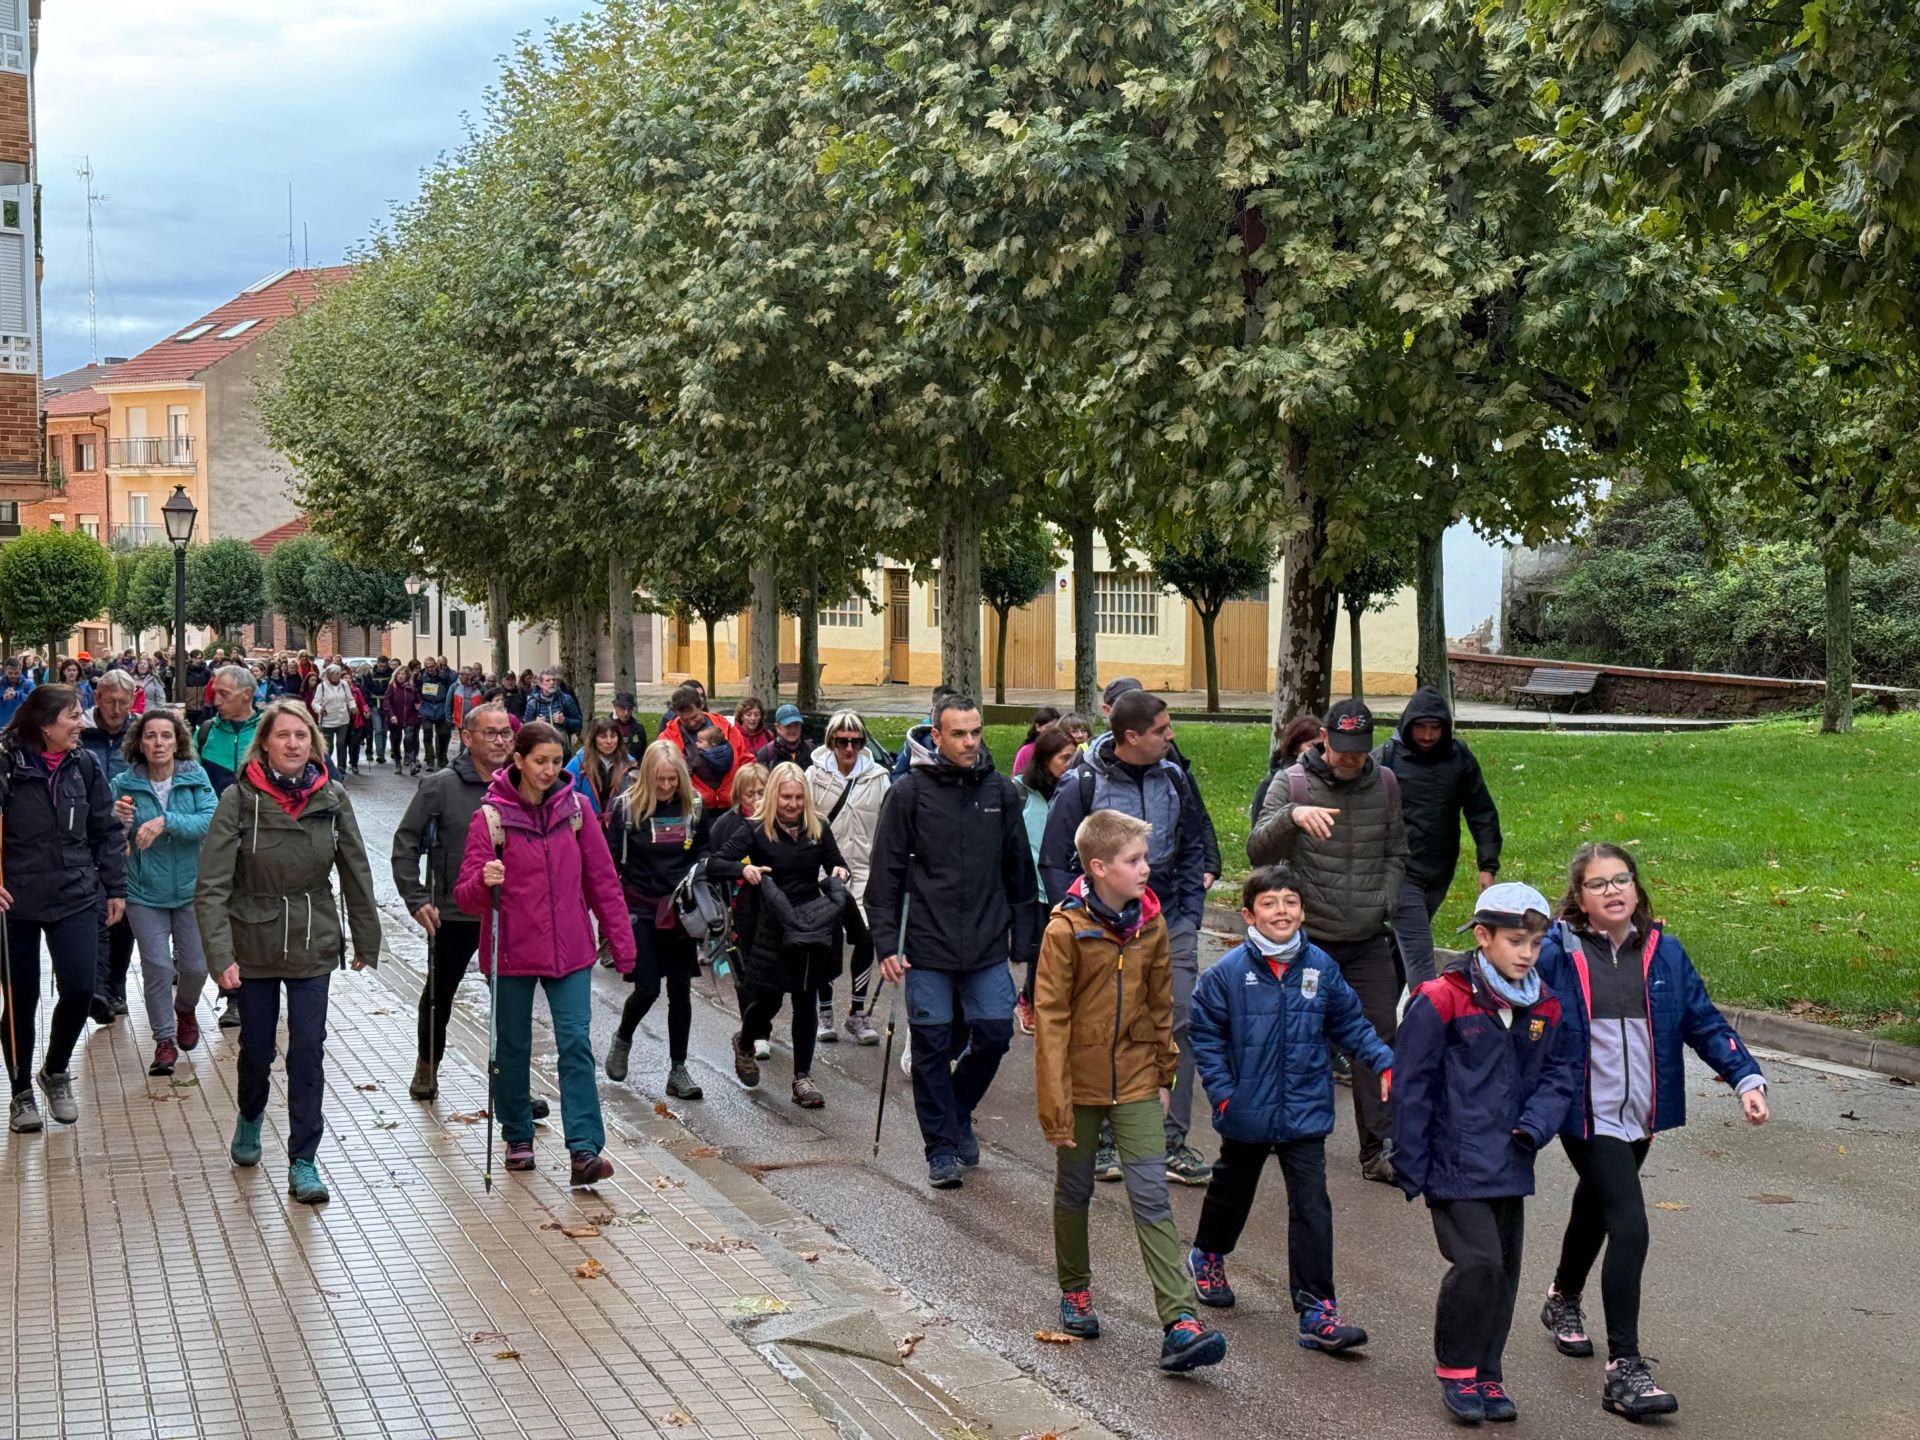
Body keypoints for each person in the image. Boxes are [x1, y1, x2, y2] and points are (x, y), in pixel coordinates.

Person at [1534, 843, 1768, 1421]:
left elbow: (1703, 1023)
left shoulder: (1665, 953)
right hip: (1585, 1114)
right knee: (1630, 1227)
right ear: (1579, 899)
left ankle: (1562, 1298)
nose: (1612, 891)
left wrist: (1745, 1077)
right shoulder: (1557, 955)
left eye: (1621, 880)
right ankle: (1625, 1371)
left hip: (1640, 1115)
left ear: (1637, 888)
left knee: (1596, 1206)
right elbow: (1517, 1013)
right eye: (1597, 884)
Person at [1033, 808, 1227, 1374]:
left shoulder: (1152, 923)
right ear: (1099, 868)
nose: (1146, 868)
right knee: (1074, 1192)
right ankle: (1075, 1290)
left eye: (1145, 858)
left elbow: (1161, 1002)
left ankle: (1180, 1323)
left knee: (1152, 1197)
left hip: (1138, 1077)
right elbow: (1050, 1020)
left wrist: (1164, 1074)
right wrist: (1055, 1101)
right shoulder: (1065, 929)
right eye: (1134, 860)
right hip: (1079, 1083)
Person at [1391, 882, 1581, 1426]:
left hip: (1511, 1159)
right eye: (1516, 941)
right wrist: (1411, 1163)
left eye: (1536, 943)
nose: (1527, 953)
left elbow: (1561, 1073)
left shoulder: (1545, 1003)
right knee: (1477, 1264)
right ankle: (1456, 1367)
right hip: (1451, 1162)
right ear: (1482, 936)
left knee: (1504, 1272)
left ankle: (1488, 1371)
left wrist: (1534, 1129)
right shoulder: (1441, 998)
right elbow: (1411, 1085)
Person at [1186, 865, 1393, 1352]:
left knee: (1311, 1206)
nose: (1282, 911)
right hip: (1247, 1109)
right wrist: (1223, 1094)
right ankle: (1208, 1254)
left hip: (1304, 1108)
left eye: (1290, 902)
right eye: (1270, 903)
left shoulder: (1320, 967)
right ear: (1248, 915)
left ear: (1303, 911)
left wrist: (1383, 1060)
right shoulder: (1226, 975)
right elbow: (1207, 1038)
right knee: (1232, 1191)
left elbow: (1351, 1024)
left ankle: (1317, 1310)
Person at [195, 700, 381, 1204]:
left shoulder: (332, 797)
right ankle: (251, 1114)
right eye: (283, 736)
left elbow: (356, 871)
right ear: (266, 743)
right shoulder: (239, 799)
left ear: (314, 743)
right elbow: (211, 885)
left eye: (302, 735)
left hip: (310, 935)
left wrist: (367, 939)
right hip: (251, 938)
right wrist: (219, 955)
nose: (293, 744)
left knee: (307, 1049)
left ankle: (304, 1160)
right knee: (256, 1049)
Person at [1039, 689, 1215, 1186]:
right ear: (1132, 736)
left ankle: (1171, 1140)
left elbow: (1195, 843)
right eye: (1162, 729)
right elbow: (1054, 859)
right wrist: (1075, 919)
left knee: (1176, 1018)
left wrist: (1190, 914)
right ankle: (1107, 1137)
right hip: (1097, 927)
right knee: (1111, 1020)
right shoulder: (1083, 783)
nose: (1171, 735)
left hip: (1168, 920)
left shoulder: (1175, 776)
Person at [867, 694, 1039, 1189]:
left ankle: (957, 1112)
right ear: (935, 736)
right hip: (925, 946)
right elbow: (886, 877)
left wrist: (1022, 942)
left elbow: (1019, 873)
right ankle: (940, 1148)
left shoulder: (1001, 793)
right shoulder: (909, 794)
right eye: (958, 733)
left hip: (985, 943)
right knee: (932, 1045)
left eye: (975, 732)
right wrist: (885, 944)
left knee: (993, 1034)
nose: (969, 742)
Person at [453, 721, 635, 1186]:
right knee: (512, 1048)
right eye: (540, 762)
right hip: (512, 950)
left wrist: (623, 944)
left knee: (576, 1044)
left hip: (570, 950)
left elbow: (603, 882)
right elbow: (466, 896)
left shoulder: (576, 810)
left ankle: (584, 1150)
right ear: (518, 760)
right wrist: (484, 880)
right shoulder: (490, 819)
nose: (550, 770)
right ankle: (517, 1134)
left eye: (557, 761)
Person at [1247, 698, 1409, 1184]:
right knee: (1295, 1039)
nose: (1350, 758)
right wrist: (1292, 816)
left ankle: (1378, 1150)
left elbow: (1398, 849)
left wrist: (1386, 898)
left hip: (1367, 937)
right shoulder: (1292, 783)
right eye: (1341, 749)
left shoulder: (1385, 783)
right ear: (1324, 741)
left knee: (1379, 1043)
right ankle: (1284, 1128)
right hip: (1310, 940)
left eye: (1359, 750)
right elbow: (1257, 848)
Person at [391, 704, 539, 1106]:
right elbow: (405, 843)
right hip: (454, 912)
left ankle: (513, 1085)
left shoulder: (524, 784)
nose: (500, 741)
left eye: (505, 734)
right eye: (490, 733)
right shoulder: (439, 786)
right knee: (440, 992)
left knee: (510, 1001)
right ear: (467, 737)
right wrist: (416, 897)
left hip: (509, 913)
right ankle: (427, 1063)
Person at [0, 685, 126, 1132]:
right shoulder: (6, 763)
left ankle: (54, 1070)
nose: (82, 723)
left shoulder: (84, 764)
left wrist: (115, 887)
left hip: (75, 891)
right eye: (73, 716)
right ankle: (19, 1092)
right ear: (44, 723)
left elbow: (106, 829)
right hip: (14, 900)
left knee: (78, 990)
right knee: (21, 998)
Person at [711, 761, 849, 1108]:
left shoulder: (818, 828)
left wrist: (838, 871)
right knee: (770, 1000)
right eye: (786, 797)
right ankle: (744, 1042)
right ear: (774, 796)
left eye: (799, 797)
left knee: (806, 998)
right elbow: (715, 864)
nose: (793, 804)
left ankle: (802, 1078)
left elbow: (837, 861)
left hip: (810, 923)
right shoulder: (755, 829)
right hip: (768, 922)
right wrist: (746, 868)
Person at [110, 709, 216, 1077]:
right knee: (156, 966)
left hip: (191, 888)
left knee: (196, 966)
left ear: (177, 742)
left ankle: (185, 1008)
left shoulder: (195, 777)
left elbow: (210, 819)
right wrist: (119, 824)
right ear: (140, 742)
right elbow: (109, 832)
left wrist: (166, 821)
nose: (159, 743)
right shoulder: (124, 783)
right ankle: (164, 1041)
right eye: (151, 736)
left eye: (166, 736)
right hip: (143, 890)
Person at [1375, 686, 1503, 989]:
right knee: (1419, 956)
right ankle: (1429, 1024)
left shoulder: (1460, 758)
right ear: (1408, 725)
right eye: (1421, 727)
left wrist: (1488, 865)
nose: (1428, 736)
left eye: (1435, 728)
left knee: (1399, 950)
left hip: (1439, 871)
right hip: (1399, 872)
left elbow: (1481, 811)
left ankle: (1380, 1025)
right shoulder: (1387, 757)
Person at [604, 741, 711, 1098]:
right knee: (648, 987)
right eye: (660, 780)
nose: (666, 787)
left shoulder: (693, 807)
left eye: (672, 780)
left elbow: (705, 852)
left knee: (680, 990)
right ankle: (623, 1036)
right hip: (641, 907)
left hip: (680, 909)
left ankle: (678, 1069)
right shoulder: (626, 809)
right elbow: (608, 863)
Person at [805, 710, 889, 1044]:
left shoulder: (879, 777)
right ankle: (824, 1011)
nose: (849, 748)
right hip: (825, 873)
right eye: (842, 741)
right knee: (827, 941)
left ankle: (857, 1013)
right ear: (831, 741)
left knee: (866, 939)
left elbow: (888, 825)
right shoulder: (813, 776)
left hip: (867, 871)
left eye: (855, 741)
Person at [79, 672, 139, 1024]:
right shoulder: (79, 731)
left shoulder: (139, 732)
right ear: (97, 696)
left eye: (124, 702)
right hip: (81, 835)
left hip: (124, 837)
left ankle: (114, 984)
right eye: (110, 701)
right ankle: (96, 985)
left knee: (121, 911)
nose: (116, 709)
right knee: (91, 909)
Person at [1012, 726, 1079, 1033]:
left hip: (1067, 887)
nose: (1070, 764)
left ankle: (1054, 1003)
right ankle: (1027, 1000)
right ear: (1045, 759)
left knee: (1064, 953)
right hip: (1031, 890)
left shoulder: (1077, 791)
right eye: (1064, 758)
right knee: (1038, 952)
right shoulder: (1020, 791)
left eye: (1074, 757)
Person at [708, 762, 769, 1052]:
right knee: (744, 973)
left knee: (768, 971)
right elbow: (714, 865)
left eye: (762, 792)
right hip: (735, 907)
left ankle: (761, 1026)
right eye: (750, 794)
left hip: (768, 908)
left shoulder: (775, 821)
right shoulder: (726, 825)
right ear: (739, 796)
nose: (756, 799)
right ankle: (755, 1031)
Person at [195, 665, 263, 800]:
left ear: (247, 694)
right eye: (215, 693)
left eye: (224, 694)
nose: (216, 701)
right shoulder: (205, 731)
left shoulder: (268, 732)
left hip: (258, 818)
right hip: (214, 817)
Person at [1251, 715, 1323, 821]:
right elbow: (1258, 830)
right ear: (1295, 749)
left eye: (1323, 747)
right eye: (1311, 746)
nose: (1318, 752)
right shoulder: (1274, 783)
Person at [565, 716, 635, 819]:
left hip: (619, 825)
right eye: (603, 737)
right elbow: (565, 795)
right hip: (587, 824)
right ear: (594, 738)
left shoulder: (629, 764)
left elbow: (637, 796)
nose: (609, 741)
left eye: (613, 736)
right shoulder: (579, 764)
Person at [310, 664, 357, 775]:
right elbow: (315, 703)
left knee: (341, 744)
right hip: (327, 721)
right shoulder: (321, 687)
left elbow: (350, 699)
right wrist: (320, 709)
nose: (338, 675)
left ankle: (341, 767)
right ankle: (325, 767)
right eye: (336, 673)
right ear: (330, 675)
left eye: (339, 673)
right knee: (328, 746)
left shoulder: (344, 685)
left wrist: (352, 706)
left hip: (342, 719)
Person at [522, 668, 583, 752]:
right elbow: (525, 729)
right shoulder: (532, 703)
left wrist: (564, 720)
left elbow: (578, 723)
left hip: (562, 749)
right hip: (541, 750)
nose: (552, 682)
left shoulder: (566, 699)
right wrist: (535, 724)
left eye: (553, 680)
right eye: (548, 680)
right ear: (540, 684)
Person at [383, 662, 423, 775]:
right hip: (395, 718)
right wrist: (391, 715)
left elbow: (418, 698)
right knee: (396, 741)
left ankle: (412, 762)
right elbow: (386, 702)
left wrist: (419, 703)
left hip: (410, 717)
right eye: (399, 674)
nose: (400, 676)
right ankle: (397, 763)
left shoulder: (411, 687)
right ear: (396, 675)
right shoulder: (393, 687)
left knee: (409, 739)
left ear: (407, 676)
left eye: (403, 674)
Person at [416, 657, 455, 771]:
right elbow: (417, 691)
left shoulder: (445, 676)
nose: (430, 669)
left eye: (432, 666)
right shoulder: (421, 677)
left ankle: (442, 757)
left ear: (436, 665)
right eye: (427, 667)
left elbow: (450, 689)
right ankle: (430, 760)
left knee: (443, 735)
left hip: (441, 707)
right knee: (427, 734)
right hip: (426, 708)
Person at [754, 703, 815, 771]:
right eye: (788, 726)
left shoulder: (811, 750)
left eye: (796, 725)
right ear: (778, 727)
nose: (793, 730)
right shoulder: (766, 753)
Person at [1009, 705, 1062, 781]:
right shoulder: (1026, 751)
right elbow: (1016, 780)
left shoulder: (1061, 749)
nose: (1052, 731)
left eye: (1056, 728)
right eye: (1049, 728)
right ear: (1038, 727)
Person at [362, 657, 395, 768]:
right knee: (378, 729)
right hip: (374, 704)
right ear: (377, 664)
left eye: (384, 666)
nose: (382, 668)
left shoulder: (392, 674)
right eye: (380, 666)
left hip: (387, 705)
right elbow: (365, 690)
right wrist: (369, 704)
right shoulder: (370, 674)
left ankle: (381, 754)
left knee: (385, 730)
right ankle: (379, 754)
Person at [609, 692, 649, 760]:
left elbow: (643, 754)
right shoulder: (606, 726)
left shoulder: (638, 729)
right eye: (623, 708)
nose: (626, 713)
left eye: (629, 709)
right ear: (615, 707)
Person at [0, 656, 36, 727]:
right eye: (10, 673)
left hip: (21, 726)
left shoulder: (28, 684)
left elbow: (34, 701)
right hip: (2, 726)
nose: (13, 675)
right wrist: (2, 696)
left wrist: (17, 695)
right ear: (5, 670)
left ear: (21, 670)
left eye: (16, 673)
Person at [183, 651, 212, 725]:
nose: (198, 660)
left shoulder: (207, 672)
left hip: (203, 707)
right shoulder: (185, 672)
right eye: (196, 658)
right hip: (189, 707)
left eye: (200, 658)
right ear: (191, 659)